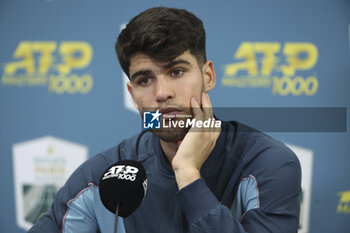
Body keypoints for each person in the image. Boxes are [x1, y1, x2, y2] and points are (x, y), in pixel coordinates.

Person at [28, 7, 301, 233]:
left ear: (208, 77)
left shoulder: (268, 163)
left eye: (176, 71)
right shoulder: (103, 175)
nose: (162, 94)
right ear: (134, 96)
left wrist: (188, 174)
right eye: (145, 80)